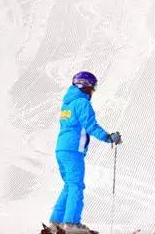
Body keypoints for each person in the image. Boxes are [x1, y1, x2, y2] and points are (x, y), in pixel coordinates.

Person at [43, 71, 121, 234]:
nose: (93, 92)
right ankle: (71, 224)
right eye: (92, 88)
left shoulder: (67, 104)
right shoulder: (82, 103)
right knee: (76, 185)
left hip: (62, 150)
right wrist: (108, 137)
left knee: (69, 185)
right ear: (85, 86)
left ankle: (56, 223)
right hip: (73, 151)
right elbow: (90, 126)